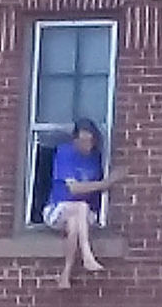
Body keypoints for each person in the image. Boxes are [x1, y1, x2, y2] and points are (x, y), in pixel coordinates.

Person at [42, 118, 114, 289]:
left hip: (82, 216)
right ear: (75, 140)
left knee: (74, 226)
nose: (86, 145)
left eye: (89, 140)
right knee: (80, 206)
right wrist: (104, 184)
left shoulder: (96, 158)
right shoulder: (65, 153)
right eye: (82, 140)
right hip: (57, 210)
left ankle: (65, 275)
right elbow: (74, 189)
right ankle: (87, 255)